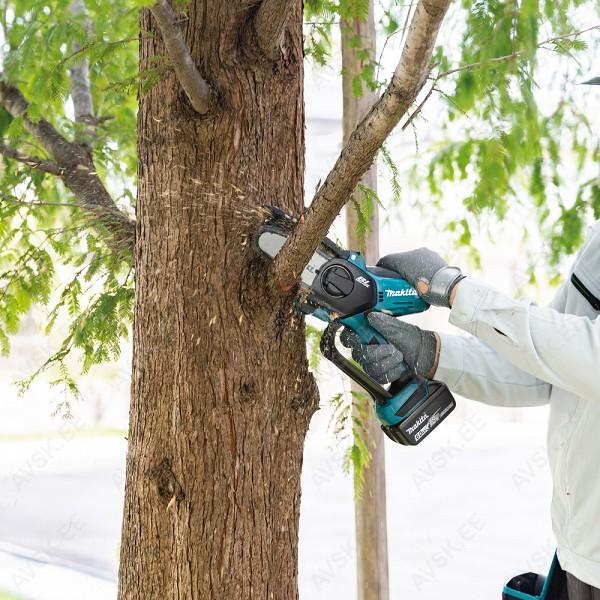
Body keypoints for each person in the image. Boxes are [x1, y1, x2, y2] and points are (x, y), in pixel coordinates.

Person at [342, 78, 600, 600]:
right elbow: (544, 370)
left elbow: (589, 360)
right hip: (581, 554)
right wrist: (429, 353)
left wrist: (455, 289)